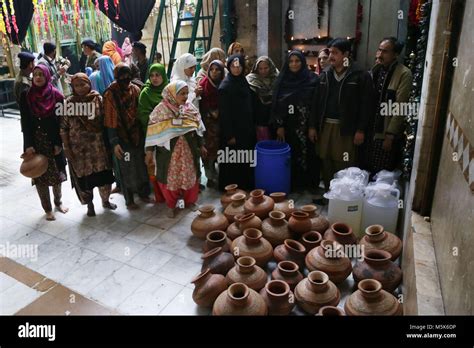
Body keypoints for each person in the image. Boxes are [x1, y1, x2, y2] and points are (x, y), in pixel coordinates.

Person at [310, 38, 374, 191]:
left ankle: (344, 194)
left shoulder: (359, 75)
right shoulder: (325, 75)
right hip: (325, 126)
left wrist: (361, 130)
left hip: (346, 129)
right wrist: (312, 126)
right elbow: (315, 104)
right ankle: (329, 193)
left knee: (344, 161)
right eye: (330, 52)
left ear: (346, 54)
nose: (331, 56)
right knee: (325, 159)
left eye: (335, 53)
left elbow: (367, 106)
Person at [145, 81, 206, 217]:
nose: (185, 96)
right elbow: (152, 133)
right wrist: (149, 151)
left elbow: (198, 130)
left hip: (188, 153)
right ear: (172, 94)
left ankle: (189, 202)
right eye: (182, 93)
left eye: (186, 93)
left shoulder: (189, 109)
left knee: (190, 175)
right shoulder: (160, 111)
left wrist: (201, 145)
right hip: (168, 155)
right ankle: (172, 205)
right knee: (170, 180)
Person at [60, 73, 116, 217]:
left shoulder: (98, 99)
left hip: (98, 148)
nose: (79, 88)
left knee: (103, 177)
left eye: (82, 84)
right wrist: (66, 147)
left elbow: (107, 122)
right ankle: (89, 205)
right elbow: (64, 127)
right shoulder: (69, 103)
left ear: (89, 84)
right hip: (79, 150)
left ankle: (105, 200)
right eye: (76, 85)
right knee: (85, 180)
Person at [19, 65, 68, 221]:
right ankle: (47, 209)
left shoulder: (57, 96)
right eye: (35, 74)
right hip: (36, 142)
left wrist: (60, 143)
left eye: (41, 74)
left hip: (53, 141)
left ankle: (58, 202)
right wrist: (28, 145)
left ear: (47, 76)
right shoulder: (26, 96)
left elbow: (62, 122)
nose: (38, 77)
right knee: (39, 175)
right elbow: (25, 122)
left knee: (57, 174)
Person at [104, 63, 151, 209]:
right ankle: (129, 200)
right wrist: (115, 142)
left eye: (127, 76)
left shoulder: (135, 89)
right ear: (116, 77)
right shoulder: (110, 94)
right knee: (126, 168)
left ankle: (143, 193)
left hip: (137, 136)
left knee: (141, 166)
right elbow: (110, 120)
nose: (125, 80)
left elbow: (141, 111)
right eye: (121, 77)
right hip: (122, 139)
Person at [272, 50, 319, 192]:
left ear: (302, 62)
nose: (294, 64)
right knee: (292, 153)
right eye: (291, 61)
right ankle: (293, 184)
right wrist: (279, 125)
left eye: (297, 61)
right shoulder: (282, 80)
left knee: (308, 154)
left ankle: (309, 184)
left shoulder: (312, 79)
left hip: (306, 125)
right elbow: (277, 105)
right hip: (289, 125)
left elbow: (316, 104)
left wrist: (312, 126)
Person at [364, 37, 413, 175]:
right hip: (370, 130)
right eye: (379, 50)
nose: (379, 54)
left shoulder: (403, 73)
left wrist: (390, 135)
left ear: (395, 54)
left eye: (385, 51)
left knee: (380, 174)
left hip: (385, 133)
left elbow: (400, 107)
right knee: (366, 169)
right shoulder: (376, 70)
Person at [218, 54, 255, 191]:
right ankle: (231, 189)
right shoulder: (225, 87)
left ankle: (244, 186)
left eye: (239, 66)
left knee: (244, 159)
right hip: (233, 132)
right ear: (229, 67)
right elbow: (224, 114)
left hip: (245, 129)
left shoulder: (242, 81)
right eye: (233, 66)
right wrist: (229, 135)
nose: (237, 69)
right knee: (232, 160)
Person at [138, 64, 169, 202]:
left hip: (169, 134)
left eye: (158, 75)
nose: (155, 78)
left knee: (169, 165)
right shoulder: (145, 93)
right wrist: (161, 120)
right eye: (152, 75)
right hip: (152, 136)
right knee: (154, 166)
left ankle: (172, 193)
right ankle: (160, 195)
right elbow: (143, 116)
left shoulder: (168, 90)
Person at [199, 60, 226, 188]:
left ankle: (221, 175)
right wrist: (211, 113)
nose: (214, 72)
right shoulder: (203, 85)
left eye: (217, 70)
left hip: (221, 123)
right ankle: (209, 177)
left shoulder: (225, 84)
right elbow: (198, 105)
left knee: (220, 150)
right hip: (207, 124)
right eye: (212, 69)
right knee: (208, 152)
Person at [246, 56, 279, 141]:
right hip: (259, 119)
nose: (263, 71)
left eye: (266, 68)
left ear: (270, 67)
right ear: (256, 69)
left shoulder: (277, 79)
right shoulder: (251, 80)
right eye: (260, 68)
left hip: (274, 118)